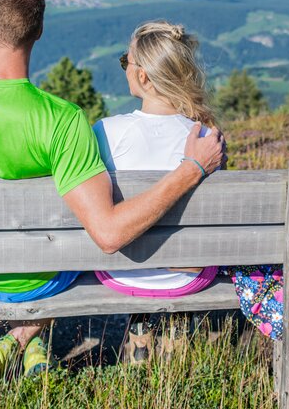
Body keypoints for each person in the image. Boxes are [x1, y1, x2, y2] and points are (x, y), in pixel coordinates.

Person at [0, 0, 224, 381]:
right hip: (39, 278)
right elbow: (107, 233)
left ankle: (26, 341)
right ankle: (29, 338)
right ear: (38, 32)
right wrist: (193, 168)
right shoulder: (63, 120)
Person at [92, 20, 219, 360]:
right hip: (187, 276)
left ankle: (142, 324)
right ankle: (175, 323)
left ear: (144, 77)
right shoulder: (207, 139)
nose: (125, 68)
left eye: (126, 62)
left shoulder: (105, 132)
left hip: (122, 269)